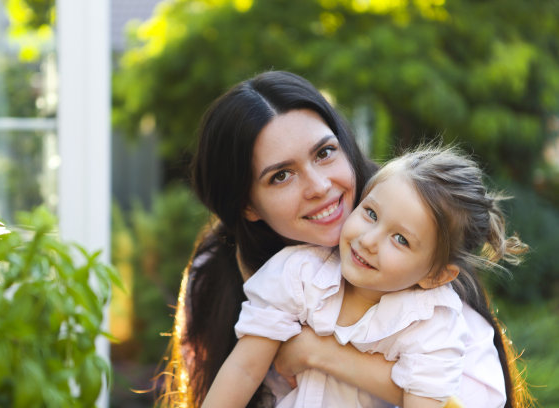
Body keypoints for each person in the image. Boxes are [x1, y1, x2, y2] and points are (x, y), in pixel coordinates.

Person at [159, 71, 530, 408]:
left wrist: (316, 352)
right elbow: (232, 379)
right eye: (281, 176)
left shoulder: (427, 287)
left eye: (324, 153)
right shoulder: (253, 272)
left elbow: (475, 399)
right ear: (246, 205)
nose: (320, 187)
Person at [201, 146, 528, 408]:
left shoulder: (432, 323)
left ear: (436, 275)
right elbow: (244, 368)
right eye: (370, 213)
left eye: (400, 239)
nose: (369, 240)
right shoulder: (300, 272)